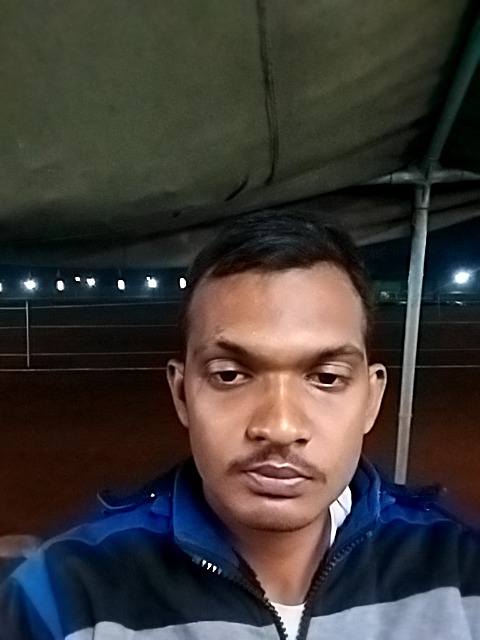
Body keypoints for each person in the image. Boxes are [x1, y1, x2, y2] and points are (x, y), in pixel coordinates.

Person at [1, 209, 479, 639]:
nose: (280, 426)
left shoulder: (465, 577)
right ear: (182, 393)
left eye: (326, 378)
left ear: (371, 400)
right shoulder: (59, 598)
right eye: (230, 375)